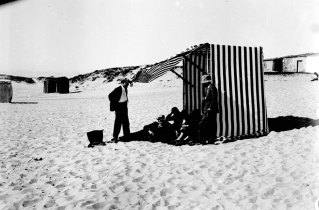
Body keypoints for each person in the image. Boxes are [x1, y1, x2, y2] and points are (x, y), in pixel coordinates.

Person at [108, 77, 132, 142]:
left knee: (126, 122)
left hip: (124, 106)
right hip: (119, 107)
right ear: (123, 83)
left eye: (127, 84)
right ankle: (115, 137)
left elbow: (129, 83)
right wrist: (115, 103)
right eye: (126, 83)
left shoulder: (125, 88)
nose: (127, 85)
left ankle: (127, 136)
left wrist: (130, 82)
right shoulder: (118, 89)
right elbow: (110, 96)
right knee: (118, 122)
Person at [199, 74, 219, 144]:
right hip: (208, 111)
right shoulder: (208, 89)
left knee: (211, 125)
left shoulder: (212, 88)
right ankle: (210, 138)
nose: (203, 84)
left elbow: (214, 99)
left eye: (203, 83)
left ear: (207, 82)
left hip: (211, 111)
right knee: (209, 125)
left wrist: (210, 108)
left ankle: (211, 139)